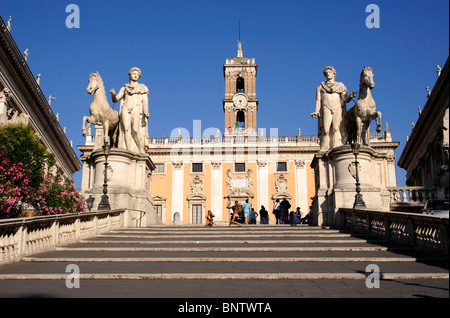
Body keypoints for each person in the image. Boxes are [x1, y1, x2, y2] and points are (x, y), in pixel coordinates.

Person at [310, 66, 356, 151]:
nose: (328, 74)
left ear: (334, 73)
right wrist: (316, 112)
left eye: (329, 72)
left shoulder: (340, 86)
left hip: (337, 108)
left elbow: (345, 99)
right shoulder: (321, 87)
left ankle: (335, 149)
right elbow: (318, 101)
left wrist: (350, 96)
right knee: (326, 130)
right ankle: (324, 148)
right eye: (326, 73)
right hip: (326, 108)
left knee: (336, 128)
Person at [110, 67, 149, 154]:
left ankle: (141, 149)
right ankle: (128, 151)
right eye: (133, 73)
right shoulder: (124, 88)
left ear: (139, 76)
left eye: (137, 74)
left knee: (135, 128)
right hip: (126, 107)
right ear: (130, 75)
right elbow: (116, 99)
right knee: (126, 129)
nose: (135, 76)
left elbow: (145, 101)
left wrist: (146, 111)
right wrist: (113, 95)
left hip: (136, 107)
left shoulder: (142, 87)